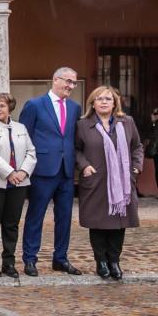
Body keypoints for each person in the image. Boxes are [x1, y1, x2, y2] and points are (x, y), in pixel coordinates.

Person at [75, 86, 144, 280]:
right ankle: (101, 262)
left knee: (118, 223)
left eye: (108, 99)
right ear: (92, 103)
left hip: (122, 183)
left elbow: (137, 146)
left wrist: (136, 167)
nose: (104, 102)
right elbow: (76, 149)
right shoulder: (83, 125)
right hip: (96, 181)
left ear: (115, 103)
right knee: (97, 223)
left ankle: (114, 261)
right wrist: (84, 165)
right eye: (99, 99)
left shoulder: (127, 122)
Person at [19, 67, 83, 277]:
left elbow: (73, 137)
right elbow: (23, 137)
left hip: (66, 171)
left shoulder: (74, 107)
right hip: (42, 169)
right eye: (68, 81)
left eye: (74, 83)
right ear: (55, 79)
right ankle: (30, 259)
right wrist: (25, 168)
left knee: (64, 217)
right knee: (35, 215)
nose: (71, 86)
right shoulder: (35, 105)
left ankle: (61, 258)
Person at [0, 92, 36, 279]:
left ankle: (9, 262)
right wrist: (9, 172)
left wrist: (23, 172)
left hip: (18, 183)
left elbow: (31, 152)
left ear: (10, 107)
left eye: (2, 106)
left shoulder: (20, 127)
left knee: (11, 224)